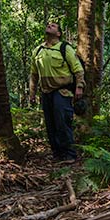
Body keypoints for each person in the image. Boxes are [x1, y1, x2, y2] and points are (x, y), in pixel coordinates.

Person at [29, 22, 85, 163]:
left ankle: (70, 154)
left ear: (59, 33)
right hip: (46, 92)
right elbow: (34, 74)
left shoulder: (65, 48)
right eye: (48, 24)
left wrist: (79, 86)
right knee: (50, 124)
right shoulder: (38, 50)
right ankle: (57, 154)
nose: (49, 25)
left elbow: (78, 69)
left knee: (62, 122)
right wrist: (32, 93)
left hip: (63, 91)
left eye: (53, 26)